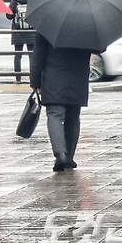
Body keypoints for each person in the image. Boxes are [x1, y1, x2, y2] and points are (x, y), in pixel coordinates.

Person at [30, 33, 92, 172]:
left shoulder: (48, 22)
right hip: (78, 75)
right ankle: (69, 157)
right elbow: (100, 48)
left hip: (54, 76)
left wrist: (35, 81)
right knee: (73, 117)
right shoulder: (86, 23)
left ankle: (60, 154)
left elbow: (39, 54)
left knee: (54, 115)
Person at [6, 0, 35, 82]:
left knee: (18, 56)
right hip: (31, 31)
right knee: (32, 56)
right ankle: (32, 78)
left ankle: (18, 78)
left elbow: (9, 16)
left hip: (18, 32)